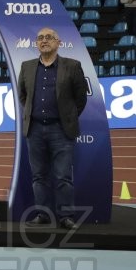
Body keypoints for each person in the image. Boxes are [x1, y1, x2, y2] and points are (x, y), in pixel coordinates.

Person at [17, 27, 87, 230]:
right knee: (39, 176)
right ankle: (43, 214)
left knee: (63, 176)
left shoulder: (72, 66)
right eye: (40, 38)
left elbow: (80, 98)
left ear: (58, 42)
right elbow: (23, 96)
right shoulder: (27, 66)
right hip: (35, 130)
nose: (44, 41)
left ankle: (65, 216)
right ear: (36, 44)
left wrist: (68, 117)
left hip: (61, 130)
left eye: (49, 37)